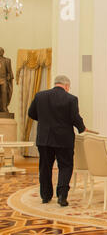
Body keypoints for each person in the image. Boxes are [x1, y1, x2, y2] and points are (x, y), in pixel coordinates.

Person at [28, 75, 87, 207]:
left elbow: (31, 113)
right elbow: (75, 117)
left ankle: (45, 196)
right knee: (65, 166)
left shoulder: (40, 96)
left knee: (45, 167)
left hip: (44, 139)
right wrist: (82, 128)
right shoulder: (71, 99)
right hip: (63, 139)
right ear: (66, 86)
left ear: (55, 84)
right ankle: (62, 196)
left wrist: (44, 121)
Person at [0, 47, 14, 113]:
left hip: (3, 80)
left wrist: (9, 77)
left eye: (1, 51)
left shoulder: (7, 60)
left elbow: (9, 72)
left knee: (4, 93)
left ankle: (4, 108)